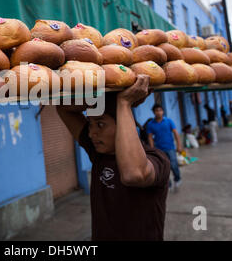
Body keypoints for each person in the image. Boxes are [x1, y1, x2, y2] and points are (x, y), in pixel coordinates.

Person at [56, 75, 170, 241]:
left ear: (125, 124)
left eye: (100, 124)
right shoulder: (100, 154)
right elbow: (62, 108)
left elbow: (133, 174)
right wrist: (102, 96)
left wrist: (123, 103)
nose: (91, 132)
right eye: (90, 124)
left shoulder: (157, 159)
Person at [147, 104, 183, 190]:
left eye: (160, 110)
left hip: (170, 148)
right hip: (159, 149)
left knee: (174, 165)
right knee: (164, 168)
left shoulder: (169, 121)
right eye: (156, 110)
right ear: (154, 112)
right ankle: (168, 184)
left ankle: (177, 179)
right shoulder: (150, 124)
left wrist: (179, 145)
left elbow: (176, 133)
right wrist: (152, 149)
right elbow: (150, 137)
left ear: (163, 111)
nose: (158, 112)